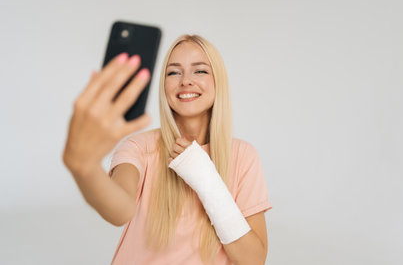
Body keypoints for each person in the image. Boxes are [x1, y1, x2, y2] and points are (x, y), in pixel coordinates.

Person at [62, 34, 272, 264]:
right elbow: (120, 210)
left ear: (218, 80)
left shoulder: (243, 156)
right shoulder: (140, 148)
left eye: (199, 71)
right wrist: (85, 167)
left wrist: (207, 180)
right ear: (164, 85)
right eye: (174, 72)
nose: (186, 81)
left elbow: (254, 260)